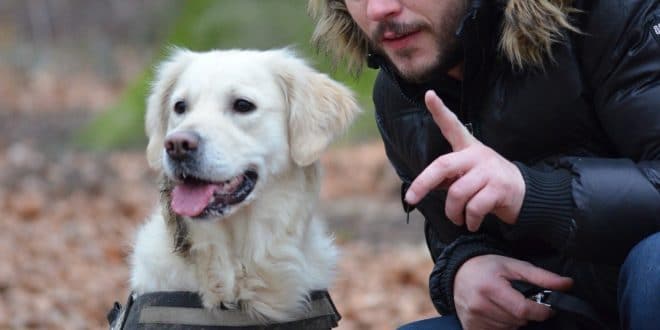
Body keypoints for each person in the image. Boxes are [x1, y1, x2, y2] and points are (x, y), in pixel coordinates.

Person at [308, 0, 660, 329]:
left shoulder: (612, 13)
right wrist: (463, 268)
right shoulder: (398, 93)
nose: (380, 9)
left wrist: (533, 193)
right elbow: (452, 234)